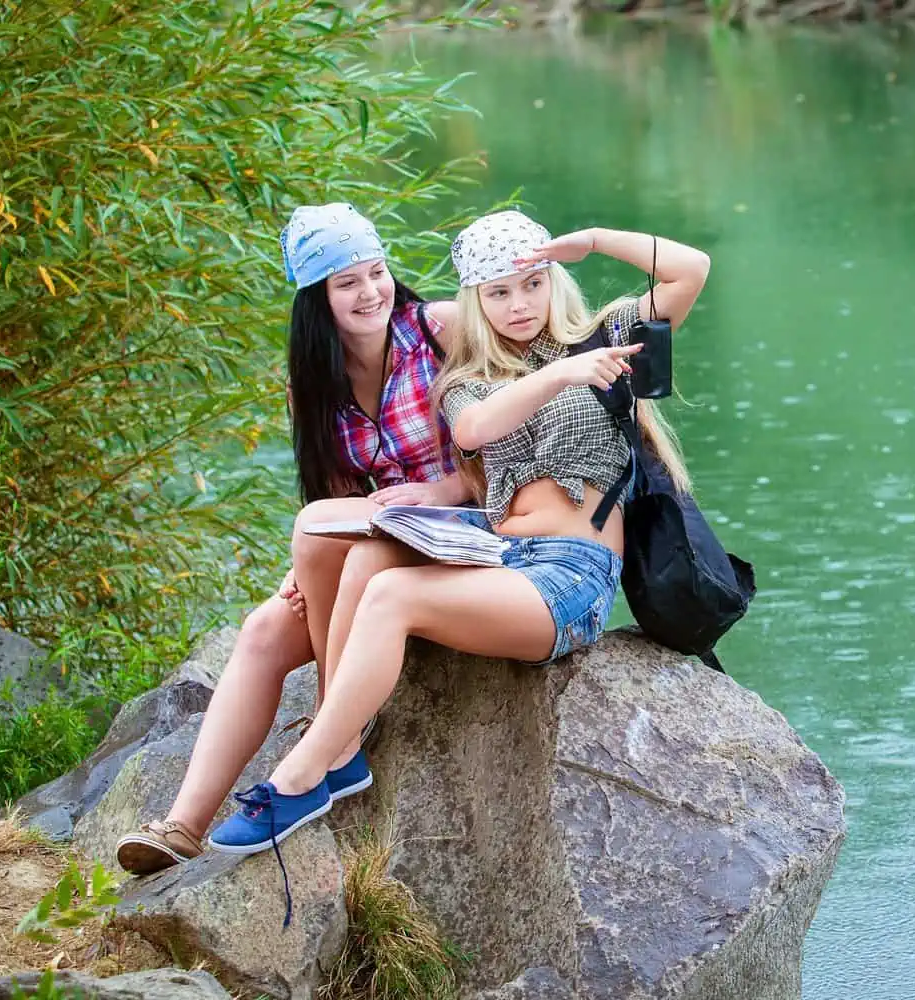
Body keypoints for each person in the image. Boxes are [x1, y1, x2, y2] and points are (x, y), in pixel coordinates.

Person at [199, 209, 710, 912]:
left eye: (532, 284)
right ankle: (335, 751)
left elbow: (691, 269)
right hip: (499, 556)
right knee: (366, 564)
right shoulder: (471, 376)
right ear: (475, 301)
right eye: (498, 293)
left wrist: (591, 240)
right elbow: (475, 428)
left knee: (392, 597)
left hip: (569, 576)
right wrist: (560, 375)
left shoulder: (606, 342)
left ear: (553, 280)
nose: (519, 305)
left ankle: (302, 772)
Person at [114, 204, 471, 876]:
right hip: (378, 538)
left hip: (466, 534)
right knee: (262, 632)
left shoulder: (442, 330)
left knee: (341, 544)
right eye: (347, 282)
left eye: (376, 271)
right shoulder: (312, 380)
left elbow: (512, 444)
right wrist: (308, 572)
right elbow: (334, 493)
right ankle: (181, 828)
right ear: (317, 299)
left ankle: (337, 746)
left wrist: (446, 491)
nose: (371, 292)